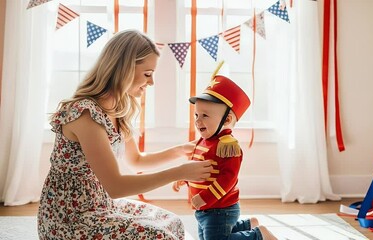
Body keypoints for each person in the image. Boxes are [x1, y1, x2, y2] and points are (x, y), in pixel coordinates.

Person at [37, 29, 213, 239]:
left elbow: (137, 161)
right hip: (70, 218)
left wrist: (180, 151)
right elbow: (116, 186)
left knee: (173, 223)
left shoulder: (118, 109)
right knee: (159, 236)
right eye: (147, 74)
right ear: (124, 69)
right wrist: (178, 172)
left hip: (101, 204)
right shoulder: (84, 114)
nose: (151, 82)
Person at [173, 63, 277, 240]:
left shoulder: (227, 146)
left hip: (220, 208)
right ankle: (248, 225)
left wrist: (205, 196)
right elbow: (199, 167)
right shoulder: (204, 140)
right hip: (205, 208)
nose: (198, 121)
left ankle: (258, 236)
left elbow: (228, 179)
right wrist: (185, 178)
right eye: (196, 115)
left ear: (227, 119)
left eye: (205, 116)